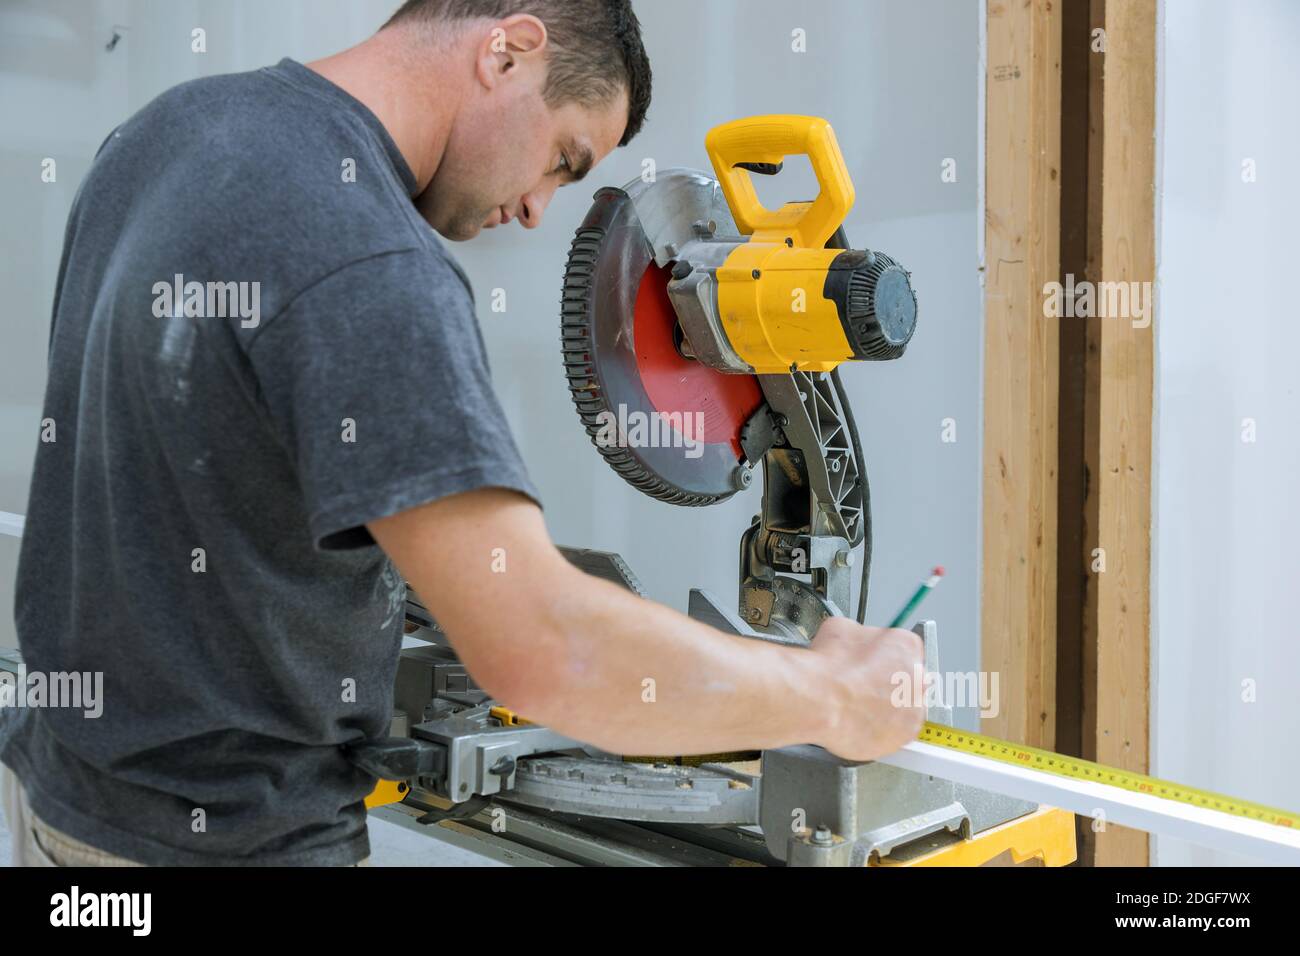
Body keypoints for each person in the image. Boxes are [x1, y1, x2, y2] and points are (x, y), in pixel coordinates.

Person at [0, 0, 924, 867]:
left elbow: (195, 466)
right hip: (232, 842)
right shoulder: (371, 259)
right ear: (507, 50)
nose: (535, 207)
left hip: (62, 811)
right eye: (564, 159)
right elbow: (546, 651)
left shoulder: (170, 131)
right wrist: (837, 695)